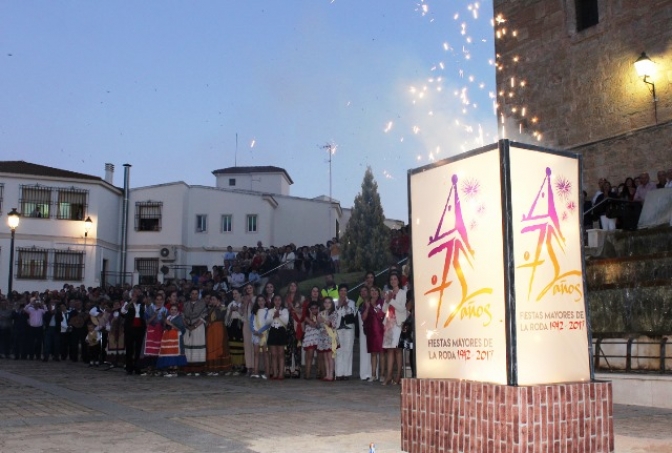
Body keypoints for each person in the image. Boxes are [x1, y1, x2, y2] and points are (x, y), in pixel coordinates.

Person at [382, 273, 407, 385]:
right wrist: (387, 300)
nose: (393, 281)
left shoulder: (403, 293)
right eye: (391, 279)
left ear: (398, 280)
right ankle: (389, 375)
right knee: (389, 350)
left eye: (395, 279)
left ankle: (398, 376)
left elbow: (402, 309)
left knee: (397, 350)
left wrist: (391, 300)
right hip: (389, 323)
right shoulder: (388, 293)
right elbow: (383, 310)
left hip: (398, 323)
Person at [156, 304, 188, 376]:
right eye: (172, 309)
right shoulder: (169, 317)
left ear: (177, 311)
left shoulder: (179, 318)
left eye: (175, 310)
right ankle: (170, 368)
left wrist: (171, 324)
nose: (173, 311)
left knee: (175, 352)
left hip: (175, 337)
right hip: (168, 337)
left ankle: (175, 370)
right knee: (169, 352)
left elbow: (181, 329)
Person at [361, 286, 385, 382]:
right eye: (372, 290)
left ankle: (382, 374)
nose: (374, 292)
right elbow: (363, 318)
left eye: (376, 290)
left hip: (381, 330)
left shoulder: (382, 302)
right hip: (371, 331)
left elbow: (383, 315)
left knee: (382, 353)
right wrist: (367, 307)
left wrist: (375, 307)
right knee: (373, 353)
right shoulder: (366, 303)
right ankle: (373, 374)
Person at [205, 293, 232, 376]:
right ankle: (213, 368)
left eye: (213, 299)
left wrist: (217, 308)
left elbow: (220, 317)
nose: (211, 301)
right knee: (211, 347)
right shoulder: (210, 309)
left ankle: (222, 368)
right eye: (211, 299)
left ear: (218, 300)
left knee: (221, 347)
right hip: (211, 330)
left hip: (219, 329)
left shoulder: (223, 308)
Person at [183, 288, 208, 375]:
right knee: (188, 347)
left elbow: (204, 315)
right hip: (188, 328)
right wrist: (187, 325)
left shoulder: (202, 304)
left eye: (196, 293)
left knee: (198, 347)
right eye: (193, 293)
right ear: (190, 294)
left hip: (198, 328)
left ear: (198, 294)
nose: (194, 295)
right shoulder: (185, 304)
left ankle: (198, 369)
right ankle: (188, 368)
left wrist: (195, 326)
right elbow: (183, 316)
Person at [334, 284, 356, 381]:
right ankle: (338, 373)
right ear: (338, 292)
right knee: (339, 350)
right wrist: (339, 306)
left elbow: (353, 314)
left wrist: (346, 307)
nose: (343, 292)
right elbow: (333, 313)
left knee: (348, 350)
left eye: (345, 291)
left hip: (348, 328)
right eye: (341, 290)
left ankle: (346, 373)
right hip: (338, 328)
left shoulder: (351, 302)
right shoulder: (334, 302)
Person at [122, 288, 146, 375]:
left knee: (138, 348)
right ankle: (129, 367)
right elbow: (123, 311)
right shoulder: (128, 303)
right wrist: (131, 302)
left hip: (140, 328)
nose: (136, 297)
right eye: (134, 295)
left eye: (137, 295)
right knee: (129, 348)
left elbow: (145, 314)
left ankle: (137, 366)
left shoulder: (142, 305)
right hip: (130, 328)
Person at [284, 281, 305, 378]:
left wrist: (295, 310)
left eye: (294, 285)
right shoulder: (285, 298)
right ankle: (287, 367)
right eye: (291, 285)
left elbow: (304, 311)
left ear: (297, 287)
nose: (292, 287)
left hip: (297, 324)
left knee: (297, 348)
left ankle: (297, 368)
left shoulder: (301, 298)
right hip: (287, 324)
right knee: (288, 347)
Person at [142, 293, 167, 375]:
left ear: (163, 300)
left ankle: (157, 367)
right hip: (151, 331)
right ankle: (149, 367)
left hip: (160, 332)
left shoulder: (165, 310)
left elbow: (166, 324)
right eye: (157, 299)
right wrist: (154, 315)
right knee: (150, 350)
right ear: (155, 300)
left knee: (158, 350)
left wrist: (163, 318)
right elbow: (146, 322)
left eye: (161, 299)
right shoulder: (150, 309)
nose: (159, 301)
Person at [267, 294, 290, 380]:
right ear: (273, 301)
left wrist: (279, 315)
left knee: (281, 354)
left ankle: (281, 373)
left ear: (281, 301)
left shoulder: (285, 310)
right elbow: (267, 322)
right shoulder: (270, 311)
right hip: (273, 331)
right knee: (273, 354)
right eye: (275, 299)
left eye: (279, 299)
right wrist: (273, 316)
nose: (277, 301)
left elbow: (286, 321)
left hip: (281, 331)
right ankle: (275, 373)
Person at [317, 296, 338, 381]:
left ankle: (331, 374)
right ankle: (327, 373)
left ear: (332, 304)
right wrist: (318, 320)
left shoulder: (334, 313)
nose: (327, 304)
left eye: (329, 302)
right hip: (322, 336)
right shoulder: (321, 313)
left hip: (330, 336)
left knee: (330, 356)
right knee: (325, 356)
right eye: (325, 302)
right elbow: (318, 325)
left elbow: (333, 324)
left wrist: (324, 320)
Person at [225, 288, 246, 374]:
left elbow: (244, 315)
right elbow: (227, 318)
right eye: (233, 294)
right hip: (232, 325)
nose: (234, 295)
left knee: (240, 346)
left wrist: (237, 309)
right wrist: (231, 310)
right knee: (233, 345)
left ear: (240, 294)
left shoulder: (244, 303)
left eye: (236, 293)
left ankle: (241, 365)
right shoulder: (230, 304)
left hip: (240, 324)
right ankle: (234, 364)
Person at [250, 295, 271, 379]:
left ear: (265, 301)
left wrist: (259, 331)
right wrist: (254, 331)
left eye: (262, 300)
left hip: (264, 334)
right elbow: (251, 323)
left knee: (266, 353)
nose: (261, 302)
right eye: (259, 300)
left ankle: (267, 372)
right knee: (256, 353)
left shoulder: (267, 311)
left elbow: (268, 324)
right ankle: (255, 372)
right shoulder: (254, 311)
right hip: (255, 334)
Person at [356, 286, 373, 381]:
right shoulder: (360, 305)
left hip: (373, 330)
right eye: (361, 291)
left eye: (365, 290)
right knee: (364, 351)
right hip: (363, 332)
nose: (363, 292)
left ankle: (373, 373)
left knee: (373, 352)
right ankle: (364, 373)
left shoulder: (374, 302)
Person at [301, 301, 320, 379]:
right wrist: (311, 314)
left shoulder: (320, 315)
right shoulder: (306, 317)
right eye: (312, 308)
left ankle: (320, 373)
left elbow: (318, 324)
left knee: (320, 356)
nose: (314, 310)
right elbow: (313, 323)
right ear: (309, 309)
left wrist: (317, 313)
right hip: (310, 337)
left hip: (319, 336)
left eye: (316, 308)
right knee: (310, 355)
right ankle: (307, 373)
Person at [241, 284, 256, 375]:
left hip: (255, 322)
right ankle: (248, 366)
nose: (249, 289)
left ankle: (255, 366)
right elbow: (242, 312)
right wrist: (244, 304)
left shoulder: (256, 298)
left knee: (254, 345)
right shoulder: (244, 299)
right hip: (246, 322)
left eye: (251, 288)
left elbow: (258, 309)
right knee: (247, 344)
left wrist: (251, 302)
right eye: (247, 288)